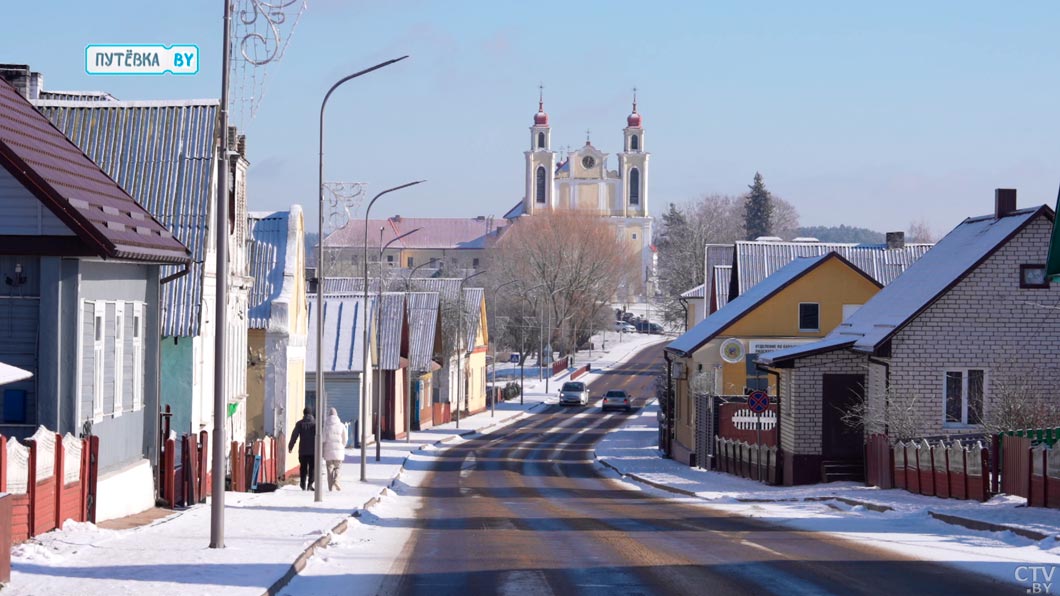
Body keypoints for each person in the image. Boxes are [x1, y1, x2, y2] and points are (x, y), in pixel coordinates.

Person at [288, 407, 317, 491]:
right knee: (312, 468)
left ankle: (302, 484)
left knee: (303, 467)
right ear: (311, 414)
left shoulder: (299, 424)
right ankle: (310, 484)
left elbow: (294, 436)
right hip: (313, 451)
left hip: (302, 451)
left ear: (303, 413)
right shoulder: (315, 424)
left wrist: (290, 447)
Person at [322, 407, 348, 491]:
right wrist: (342, 446)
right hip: (339, 451)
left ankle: (330, 487)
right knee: (338, 467)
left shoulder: (326, 426)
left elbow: (323, 439)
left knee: (329, 469)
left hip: (328, 451)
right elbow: (345, 438)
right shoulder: (341, 425)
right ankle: (336, 480)